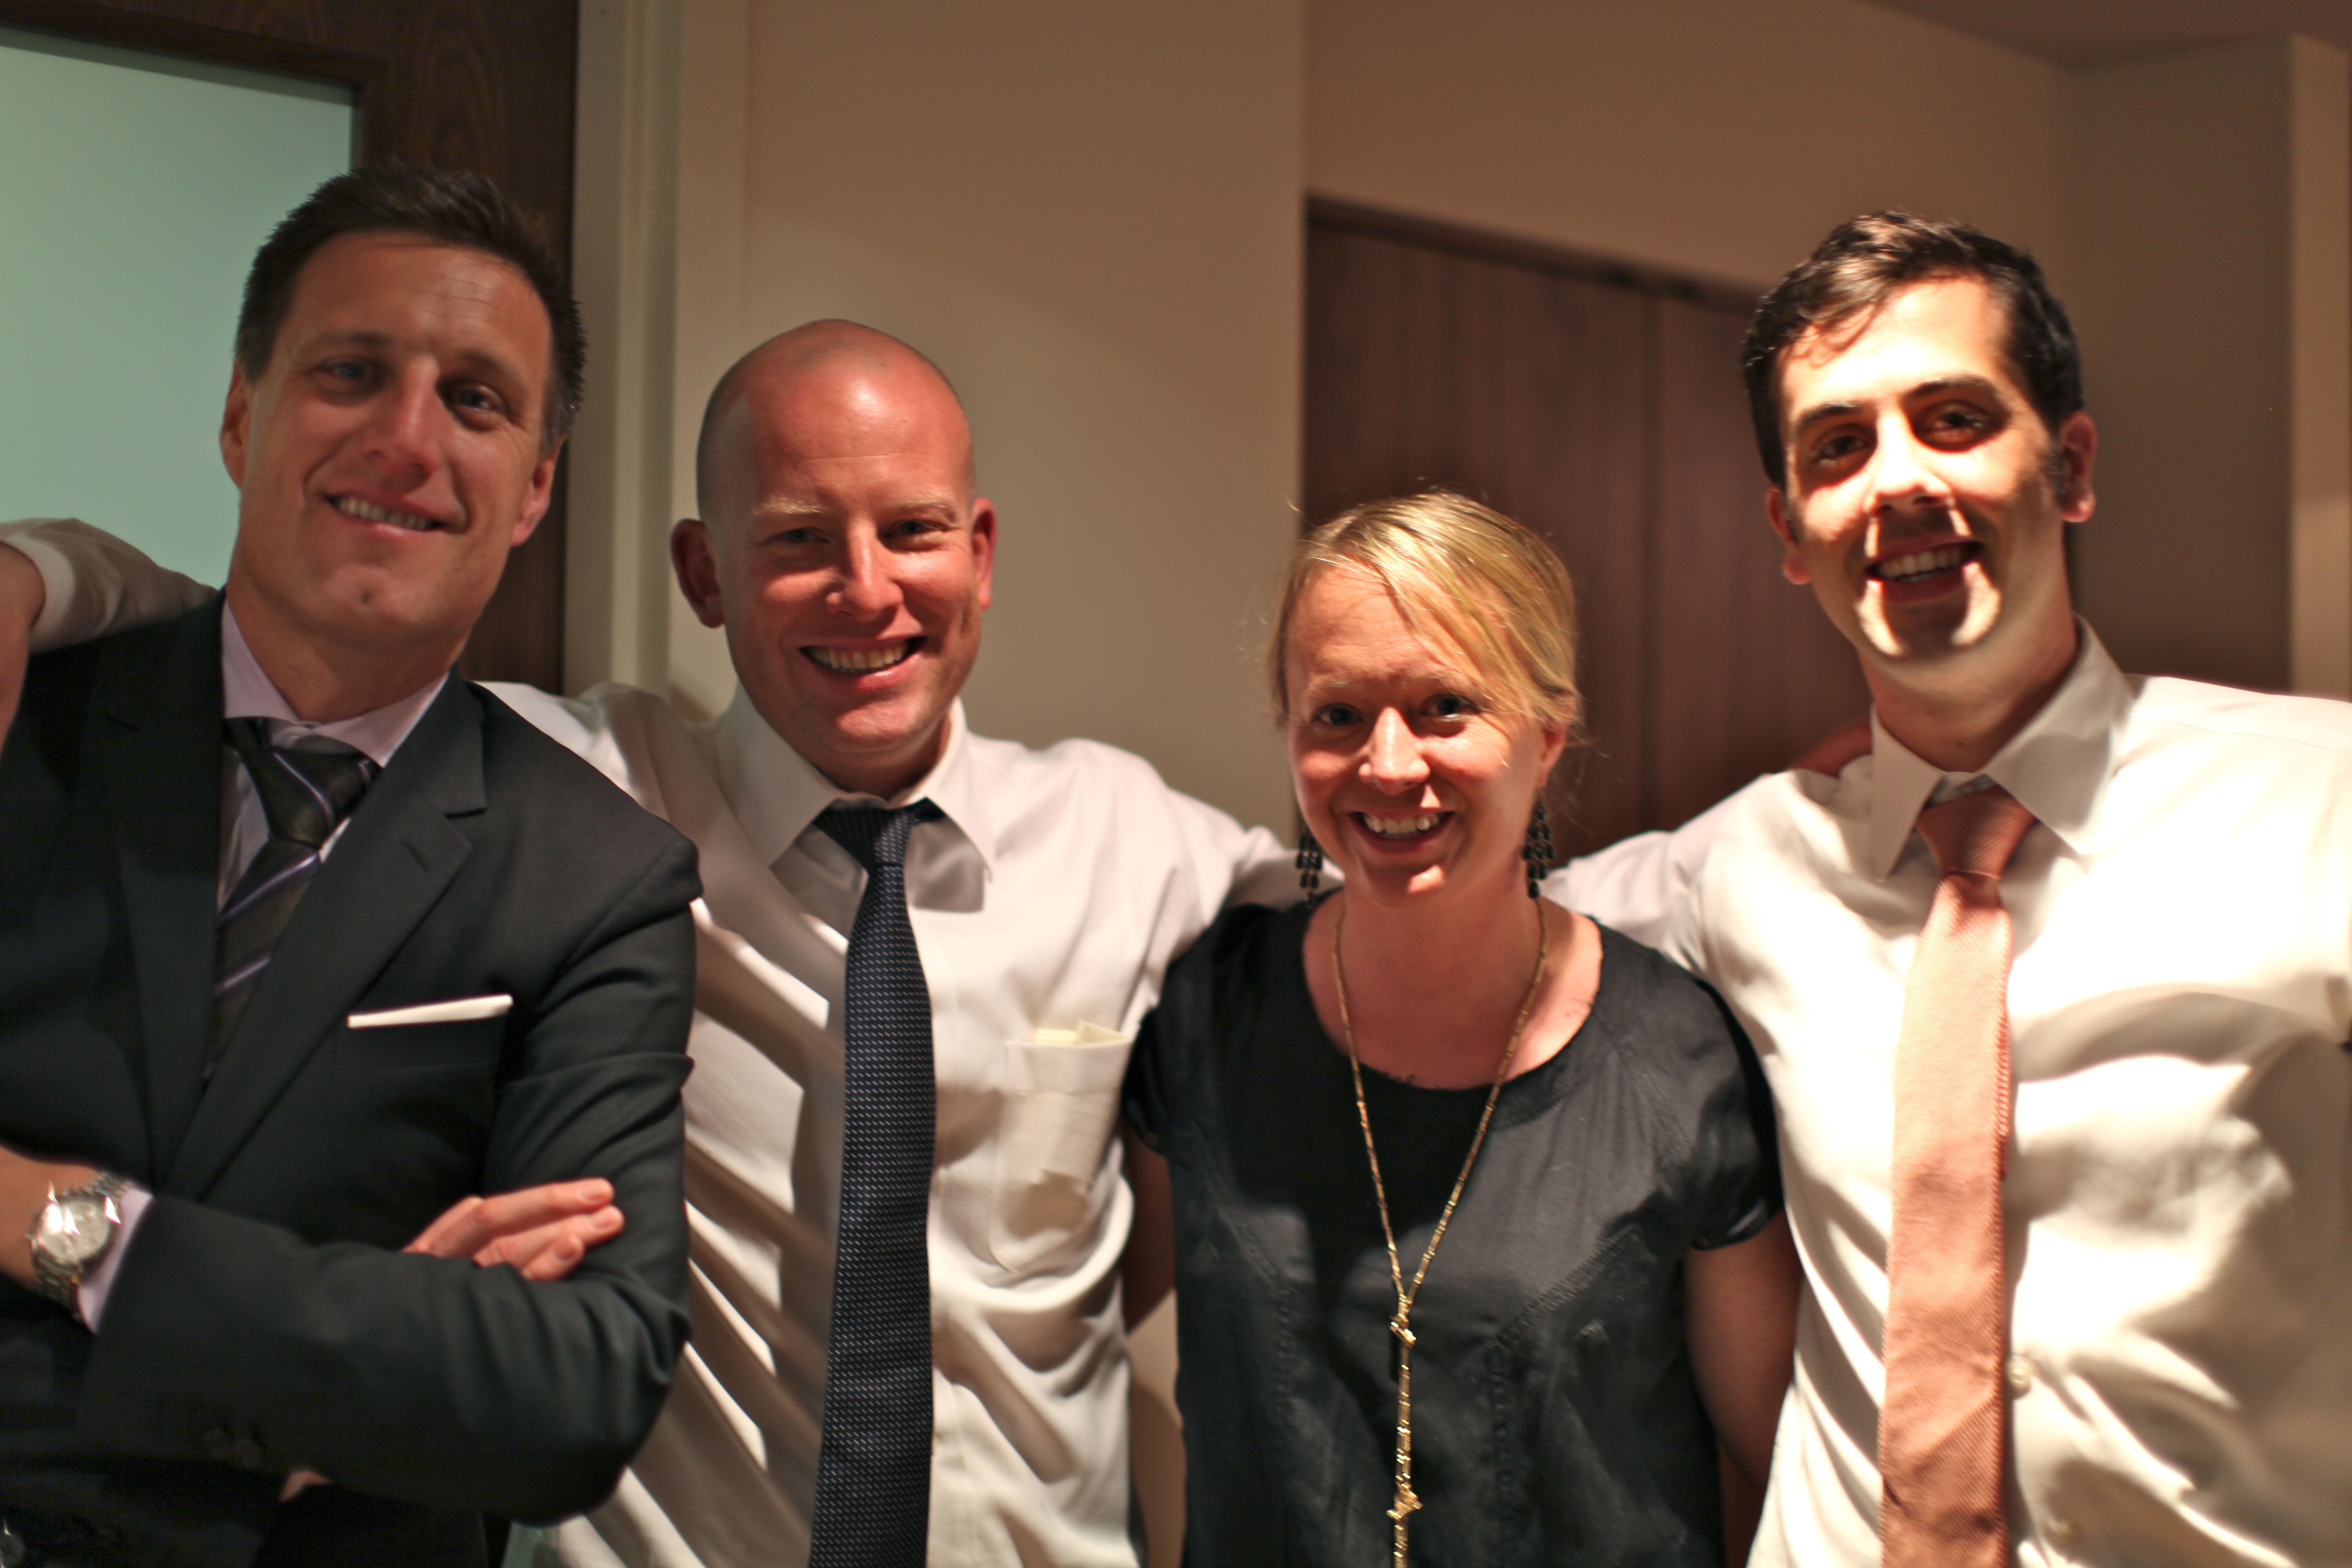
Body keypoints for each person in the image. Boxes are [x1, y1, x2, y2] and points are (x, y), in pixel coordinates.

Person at [3, 320, 1298, 1568]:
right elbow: (258, 637)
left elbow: (1362, 925)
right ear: (703, 573)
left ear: (981, 548)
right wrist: (31, 574)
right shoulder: (565, 800)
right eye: (798, 539)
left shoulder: (1136, 842)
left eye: (912, 531)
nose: (866, 588)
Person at [1556, 213, 2352, 1565]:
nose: (1899, 482)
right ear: (1788, 530)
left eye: (1953, 419)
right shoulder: (1740, 865)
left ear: (2072, 465)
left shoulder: (2320, 806)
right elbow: (1461, 912)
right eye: (1837, 445)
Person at [0, 166, 699, 1568]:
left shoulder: (596, 879)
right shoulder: (24, 723)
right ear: (241, 412)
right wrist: (338, 1395)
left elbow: (572, 1392)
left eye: (475, 400)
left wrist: (60, 1229)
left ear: (535, 487)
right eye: (352, 372)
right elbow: (463, 1390)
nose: (405, 437)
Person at [1122, 492, 1800, 1565]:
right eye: (1337, 716)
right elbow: (1063, 1315)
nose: (1389, 765)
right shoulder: (1213, 1017)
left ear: (1548, 733)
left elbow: (1784, 1471)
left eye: (1445, 707)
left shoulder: (1678, 1065)